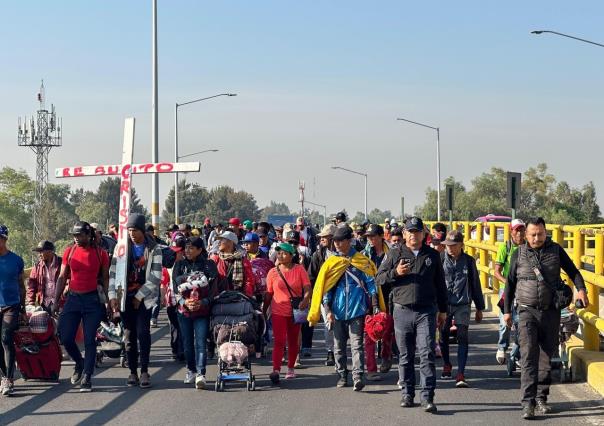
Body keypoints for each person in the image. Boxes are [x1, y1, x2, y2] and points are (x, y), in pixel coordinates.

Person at [504, 217, 588, 420]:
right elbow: (509, 283)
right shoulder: (518, 253)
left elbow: (574, 272)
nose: (536, 238)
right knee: (528, 356)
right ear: (526, 234)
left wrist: (582, 290)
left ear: (545, 232)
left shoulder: (556, 250)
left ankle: (541, 397)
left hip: (551, 312)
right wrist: (507, 311)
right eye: (532, 234)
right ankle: (528, 403)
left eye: (540, 234)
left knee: (545, 357)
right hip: (526, 311)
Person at [376, 216, 447, 413]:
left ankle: (427, 397)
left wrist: (443, 310)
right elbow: (379, 279)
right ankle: (407, 394)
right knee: (406, 356)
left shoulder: (432, 255)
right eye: (410, 231)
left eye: (417, 231)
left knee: (426, 353)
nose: (414, 235)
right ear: (404, 234)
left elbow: (441, 284)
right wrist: (396, 273)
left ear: (423, 234)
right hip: (402, 311)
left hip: (426, 311)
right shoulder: (394, 254)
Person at [311, 225, 382, 392]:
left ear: (349, 240)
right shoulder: (331, 263)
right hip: (337, 312)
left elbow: (372, 284)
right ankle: (342, 375)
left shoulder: (361, 261)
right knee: (338, 346)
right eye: (334, 240)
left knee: (357, 345)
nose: (336, 243)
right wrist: (328, 311)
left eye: (340, 240)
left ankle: (358, 376)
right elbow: (326, 289)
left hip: (358, 310)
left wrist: (375, 306)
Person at [52, 221, 109, 392]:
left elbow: (105, 278)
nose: (76, 238)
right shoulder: (69, 252)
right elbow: (62, 277)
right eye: (74, 236)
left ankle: (87, 376)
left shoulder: (101, 254)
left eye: (80, 235)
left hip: (92, 300)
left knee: (90, 339)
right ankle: (79, 362)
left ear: (88, 235)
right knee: (65, 337)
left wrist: (108, 301)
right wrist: (55, 300)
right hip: (73, 299)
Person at [108, 213, 163, 389]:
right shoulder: (121, 248)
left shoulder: (154, 249)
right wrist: (112, 296)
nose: (132, 234)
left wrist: (140, 296)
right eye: (129, 230)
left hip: (144, 299)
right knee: (129, 336)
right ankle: (133, 371)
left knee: (143, 333)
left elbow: (155, 276)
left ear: (142, 230)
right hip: (125, 297)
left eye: (135, 230)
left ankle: (145, 370)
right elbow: (113, 273)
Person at [439, 230, 485, 388]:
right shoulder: (439, 259)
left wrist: (479, 308)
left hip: (462, 304)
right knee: (443, 335)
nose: (449, 248)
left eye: (453, 245)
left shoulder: (468, 261)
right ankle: (446, 364)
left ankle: (460, 373)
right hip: (444, 304)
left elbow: (475, 285)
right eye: (447, 246)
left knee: (462, 335)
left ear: (461, 245)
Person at [172, 237, 219, 389]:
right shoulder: (179, 265)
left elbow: (213, 290)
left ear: (200, 249)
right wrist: (183, 302)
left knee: (200, 342)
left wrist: (202, 303)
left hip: (202, 311)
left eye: (191, 248)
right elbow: (173, 288)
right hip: (183, 311)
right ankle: (190, 369)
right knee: (187, 343)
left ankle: (201, 373)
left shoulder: (209, 264)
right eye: (186, 247)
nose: (187, 250)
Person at [264, 242, 311, 383]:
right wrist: (264, 308)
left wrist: (305, 299)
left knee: (293, 340)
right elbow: (268, 293)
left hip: (296, 311)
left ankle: (290, 367)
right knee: (279, 341)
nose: (281, 255)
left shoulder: (299, 269)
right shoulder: (272, 272)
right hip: (278, 310)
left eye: (284, 253)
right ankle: (276, 369)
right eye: (279, 253)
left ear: (292, 255)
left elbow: (308, 288)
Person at [362, 224, 394, 380]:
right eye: (368, 237)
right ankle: (371, 369)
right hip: (368, 298)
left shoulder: (392, 254)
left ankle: (386, 356)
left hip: (389, 297)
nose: (370, 239)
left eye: (373, 236)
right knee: (369, 334)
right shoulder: (364, 256)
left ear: (382, 236)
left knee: (387, 330)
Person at [494, 219, 525, 365]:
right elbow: (497, 271)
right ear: (511, 231)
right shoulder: (505, 247)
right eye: (516, 230)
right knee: (504, 321)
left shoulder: (528, 247)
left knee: (521, 323)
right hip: (507, 289)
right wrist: (508, 283)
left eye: (522, 230)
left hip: (523, 290)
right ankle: (502, 347)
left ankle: (516, 353)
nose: (519, 233)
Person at [307, 224, 337, 366]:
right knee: (328, 324)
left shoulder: (345, 253)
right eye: (321, 237)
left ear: (333, 238)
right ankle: (330, 352)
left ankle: (340, 351)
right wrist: (312, 296)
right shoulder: (318, 255)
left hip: (343, 294)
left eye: (324, 237)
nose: (321, 240)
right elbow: (311, 277)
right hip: (325, 296)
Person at [0, 225, 25, 396]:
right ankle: (3, 376)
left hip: (11, 305)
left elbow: (21, 286)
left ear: (4, 239)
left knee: (6, 338)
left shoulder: (16, 260)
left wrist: (22, 308)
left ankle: (9, 379)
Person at [161, 235, 186, 361]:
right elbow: (164, 282)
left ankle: (181, 349)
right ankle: (176, 349)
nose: (175, 255)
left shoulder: (186, 265)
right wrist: (163, 297)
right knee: (175, 325)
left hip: (183, 297)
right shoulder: (167, 265)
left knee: (182, 324)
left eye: (177, 252)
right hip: (171, 298)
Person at [210, 231, 255, 297]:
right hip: (218, 298)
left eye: (221, 240)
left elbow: (249, 281)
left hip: (238, 298)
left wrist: (246, 296)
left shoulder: (243, 261)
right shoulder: (215, 259)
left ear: (230, 242)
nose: (218, 243)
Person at [26, 240, 61, 311]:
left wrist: (65, 293)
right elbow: (31, 285)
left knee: (61, 321)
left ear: (50, 251)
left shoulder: (62, 263)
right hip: (44, 303)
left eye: (41, 252)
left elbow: (68, 281)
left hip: (60, 303)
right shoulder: (37, 266)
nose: (39, 254)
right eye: (39, 252)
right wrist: (31, 302)